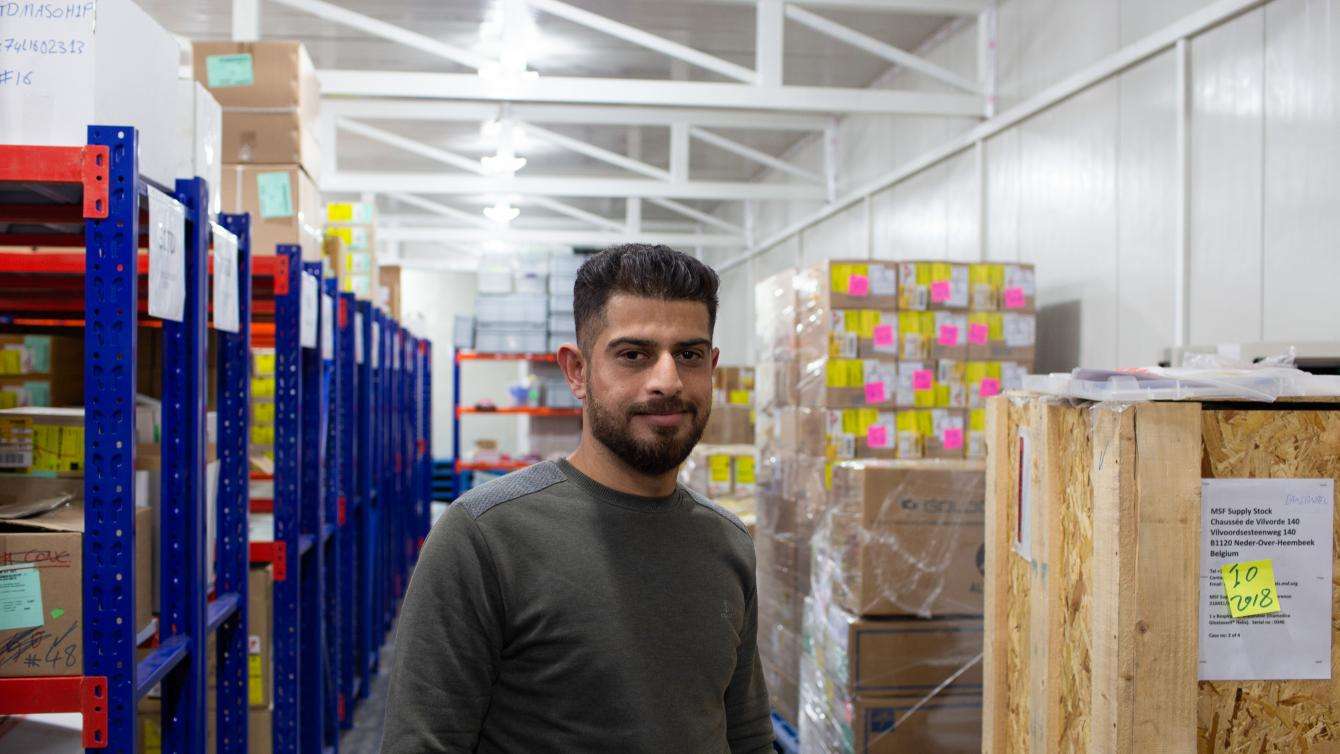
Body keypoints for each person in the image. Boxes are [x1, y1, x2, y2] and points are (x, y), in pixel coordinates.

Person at [381, 244, 773, 753]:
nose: (668, 381)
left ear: (712, 367)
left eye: (689, 355)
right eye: (634, 355)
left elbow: (747, 736)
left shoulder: (727, 543)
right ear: (577, 371)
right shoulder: (485, 537)